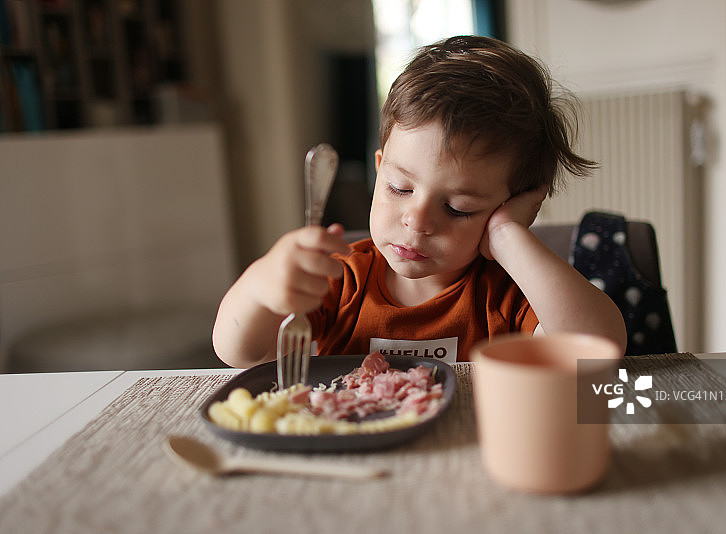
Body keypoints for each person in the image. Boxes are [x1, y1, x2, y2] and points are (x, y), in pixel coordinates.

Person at [212, 35, 626, 368]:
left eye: (458, 208)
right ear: (380, 169)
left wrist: (507, 236)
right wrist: (263, 284)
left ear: (509, 207)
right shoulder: (341, 282)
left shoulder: (506, 295)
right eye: (399, 188)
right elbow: (240, 353)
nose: (417, 220)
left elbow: (593, 350)